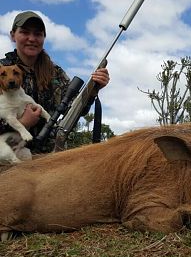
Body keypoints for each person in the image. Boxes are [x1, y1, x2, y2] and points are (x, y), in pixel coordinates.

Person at [0, 11, 110, 153]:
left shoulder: (56, 73)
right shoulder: (2, 70)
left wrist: (93, 90)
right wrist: (22, 124)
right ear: (13, 35)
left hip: (50, 156)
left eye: (38, 34)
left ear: (44, 37)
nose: (32, 39)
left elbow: (75, 110)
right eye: (25, 32)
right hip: (9, 155)